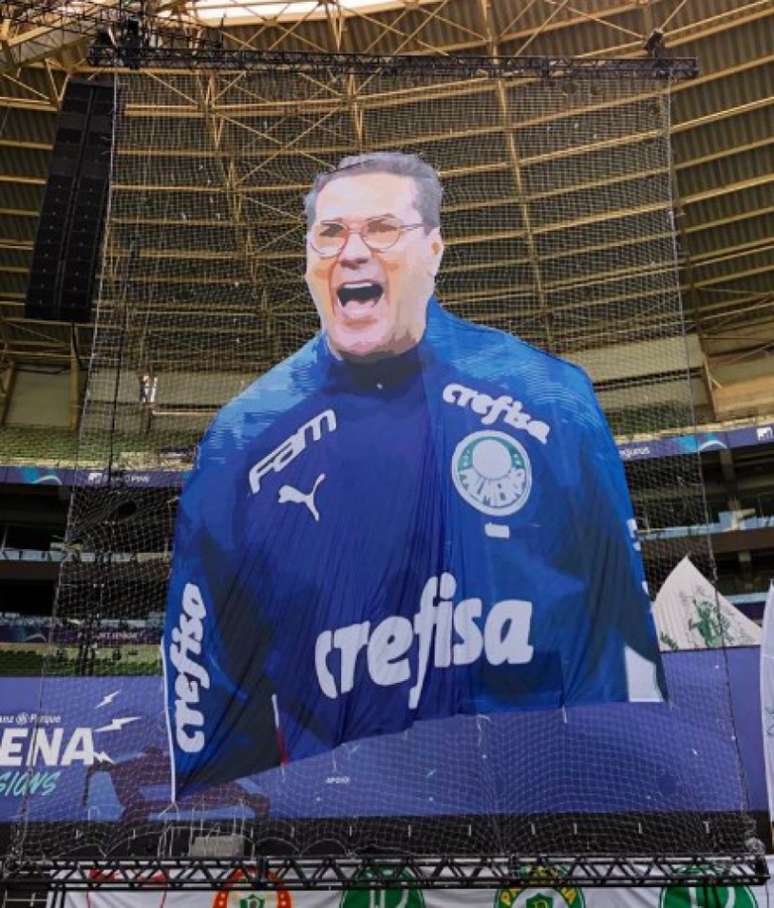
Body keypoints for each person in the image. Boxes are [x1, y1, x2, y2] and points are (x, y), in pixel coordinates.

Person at [164, 151, 664, 798]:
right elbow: (212, 684)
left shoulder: (550, 399)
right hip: (343, 838)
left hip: (533, 817)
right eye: (330, 233)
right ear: (309, 262)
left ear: (434, 249)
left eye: (381, 228)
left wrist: (600, 806)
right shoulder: (241, 437)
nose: (352, 252)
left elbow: (613, 638)